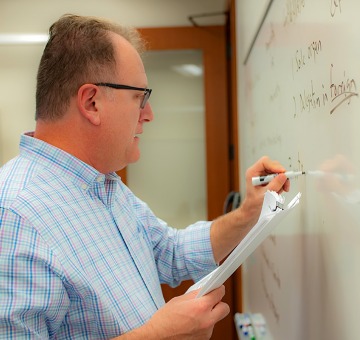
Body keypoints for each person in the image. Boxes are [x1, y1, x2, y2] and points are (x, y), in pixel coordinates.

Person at [0, 14, 290, 339]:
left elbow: (170, 251)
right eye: (140, 97)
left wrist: (248, 215)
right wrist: (157, 335)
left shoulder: (104, 184)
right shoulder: (15, 216)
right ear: (91, 102)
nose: (149, 114)